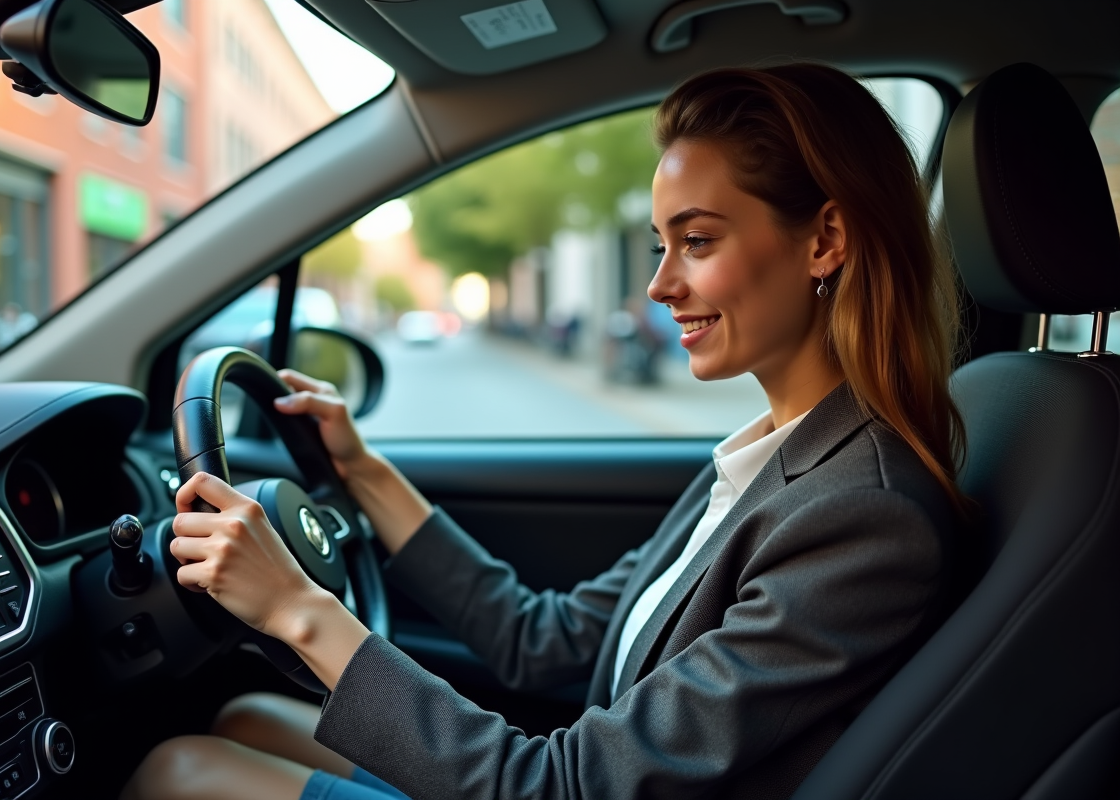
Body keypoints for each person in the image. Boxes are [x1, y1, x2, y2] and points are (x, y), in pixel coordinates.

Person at [121, 63, 967, 800]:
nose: (663, 285)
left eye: (697, 241)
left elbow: (564, 786)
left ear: (823, 239)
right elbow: (544, 640)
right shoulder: (771, 455)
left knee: (179, 773)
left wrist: (298, 609)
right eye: (659, 246)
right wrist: (364, 470)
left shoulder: (860, 517)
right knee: (246, 715)